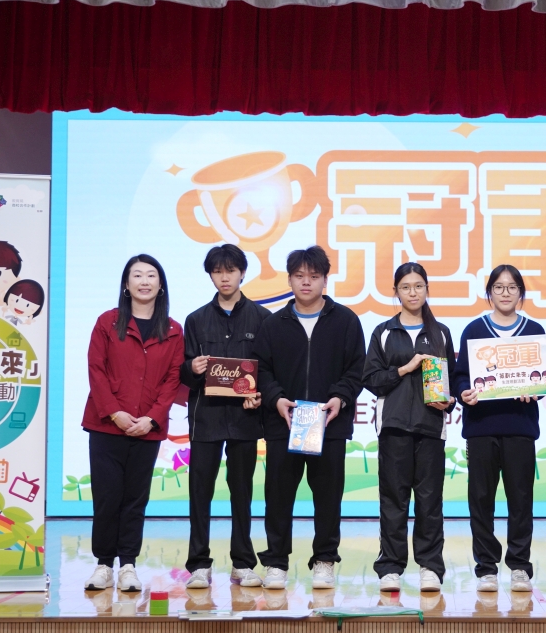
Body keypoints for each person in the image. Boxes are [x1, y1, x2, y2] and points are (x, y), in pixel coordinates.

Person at [255, 246, 366, 590]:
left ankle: (325, 560)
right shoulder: (272, 324)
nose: (306, 282)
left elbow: (356, 369)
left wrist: (340, 397)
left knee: (328, 497)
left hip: (329, 424)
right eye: (299, 276)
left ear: (325, 280)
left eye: (314, 276)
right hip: (283, 424)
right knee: (278, 496)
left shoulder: (345, 321)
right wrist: (276, 399)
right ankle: (276, 562)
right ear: (289, 280)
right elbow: (261, 370)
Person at [82, 254, 184, 592]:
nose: (144, 281)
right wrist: (115, 412)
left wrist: (152, 418)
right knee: (107, 497)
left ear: (160, 284)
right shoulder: (107, 322)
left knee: (135, 500)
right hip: (106, 426)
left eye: (151, 275)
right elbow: (96, 369)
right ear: (126, 284)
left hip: (147, 429)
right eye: (136, 275)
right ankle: (103, 565)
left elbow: (173, 379)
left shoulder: (173, 330)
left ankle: (128, 565)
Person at [180, 244, 272, 590]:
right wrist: (192, 367)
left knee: (242, 492)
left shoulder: (263, 319)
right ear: (210, 275)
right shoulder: (196, 320)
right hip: (205, 418)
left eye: (230, 270)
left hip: (245, 420)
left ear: (242, 273)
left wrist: (259, 396)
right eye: (217, 271)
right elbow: (183, 372)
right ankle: (198, 564)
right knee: (199, 491)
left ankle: (243, 563)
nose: (224, 277)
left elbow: (267, 371)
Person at [364, 262, 457, 593]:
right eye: (405, 287)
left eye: (418, 286)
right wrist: (404, 368)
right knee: (394, 499)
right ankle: (390, 566)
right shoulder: (384, 332)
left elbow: (452, 381)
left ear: (427, 289)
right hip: (394, 426)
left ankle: (430, 566)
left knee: (430, 501)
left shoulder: (441, 332)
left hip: (431, 427)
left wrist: (450, 401)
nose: (413, 292)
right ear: (396, 292)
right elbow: (372, 379)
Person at [452, 265, 542, 593]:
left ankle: (519, 566)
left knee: (521, 500)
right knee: (481, 500)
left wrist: (537, 389)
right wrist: (464, 391)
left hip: (520, 427)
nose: (505, 293)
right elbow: (461, 375)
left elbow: (543, 375)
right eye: (499, 287)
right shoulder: (474, 329)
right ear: (489, 292)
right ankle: (486, 568)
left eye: (512, 287)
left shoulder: (534, 330)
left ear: (521, 292)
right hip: (481, 427)